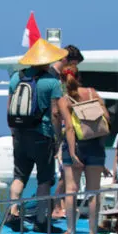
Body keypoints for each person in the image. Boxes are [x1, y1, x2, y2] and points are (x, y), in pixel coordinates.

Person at [6, 39, 65, 234]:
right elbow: (56, 113)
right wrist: (58, 138)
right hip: (43, 134)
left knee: (19, 176)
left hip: (20, 134)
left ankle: (13, 212)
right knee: (44, 179)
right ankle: (41, 220)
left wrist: (14, 132)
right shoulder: (52, 82)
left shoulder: (16, 77)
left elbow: (9, 108)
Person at [57, 66, 111, 234]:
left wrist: (73, 154)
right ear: (79, 77)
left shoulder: (65, 100)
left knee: (71, 189)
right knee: (94, 191)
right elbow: (106, 120)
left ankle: (71, 231)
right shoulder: (92, 92)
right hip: (96, 145)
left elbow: (70, 128)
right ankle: (92, 232)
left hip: (76, 146)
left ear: (63, 81)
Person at [50, 45, 84, 219]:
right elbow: (56, 112)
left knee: (64, 174)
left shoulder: (54, 78)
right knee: (63, 175)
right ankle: (56, 206)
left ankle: (60, 205)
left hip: (60, 132)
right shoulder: (55, 80)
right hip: (60, 133)